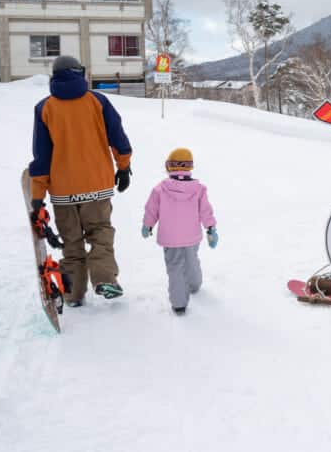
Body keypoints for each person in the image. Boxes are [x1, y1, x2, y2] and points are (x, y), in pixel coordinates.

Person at [29, 56, 132, 306]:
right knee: (100, 234)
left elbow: (41, 156)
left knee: (71, 242)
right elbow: (118, 138)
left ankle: (72, 292)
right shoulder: (98, 101)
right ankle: (105, 278)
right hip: (96, 186)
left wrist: (37, 195)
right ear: (80, 72)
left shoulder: (45, 108)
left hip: (63, 191)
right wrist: (123, 167)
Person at [141, 148, 218, 315]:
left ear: (169, 166)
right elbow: (206, 211)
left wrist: (147, 225)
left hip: (170, 238)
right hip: (191, 236)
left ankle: (179, 303)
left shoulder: (160, 189)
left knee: (175, 267)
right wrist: (211, 229)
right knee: (191, 259)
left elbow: (151, 210)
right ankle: (194, 284)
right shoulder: (199, 189)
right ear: (190, 167)